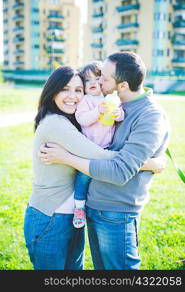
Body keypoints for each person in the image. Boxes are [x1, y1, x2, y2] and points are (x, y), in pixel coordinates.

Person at [38, 52, 169, 270]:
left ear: (123, 85)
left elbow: (119, 171)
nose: (98, 81)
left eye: (104, 78)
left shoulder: (149, 116)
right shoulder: (116, 104)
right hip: (94, 206)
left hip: (117, 212)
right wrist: (148, 163)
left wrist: (67, 158)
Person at [24, 66, 119, 270]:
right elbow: (100, 155)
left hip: (73, 217)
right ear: (53, 91)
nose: (72, 96)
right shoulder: (55, 123)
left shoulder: (73, 120)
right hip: (50, 217)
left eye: (78, 90)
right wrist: (147, 162)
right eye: (65, 89)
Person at [73, 61, 124, 228]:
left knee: (101, 178)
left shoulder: (109, 98)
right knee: (83, 176)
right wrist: (97, 111)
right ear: (83, 84)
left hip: (106, 147)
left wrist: (119, 114)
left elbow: (118, 115)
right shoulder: (85, 101)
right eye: (87, 80)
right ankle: (79, 207)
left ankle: (95, 204)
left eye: (97, 78)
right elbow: (82, 119)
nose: (93, 83)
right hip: (88, 148)